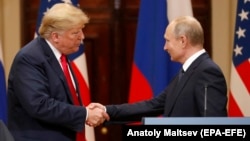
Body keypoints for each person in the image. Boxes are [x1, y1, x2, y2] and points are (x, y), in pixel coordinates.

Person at [88, 16, 228, 126]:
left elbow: (214, 125)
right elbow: (152, 106)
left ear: (183, 41)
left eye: (167, 41)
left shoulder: (207, 72)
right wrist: (106, 111)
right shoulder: (186, 72)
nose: (165, 47)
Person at [7, 3, 109, 141]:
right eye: (75, 32)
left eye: (81, 30)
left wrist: (84, 110)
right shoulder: (29, 58)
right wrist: (85, 114)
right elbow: (40, 105)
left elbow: (63, 98)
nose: (82, 37)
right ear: (55, 36)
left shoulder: (61, 55)